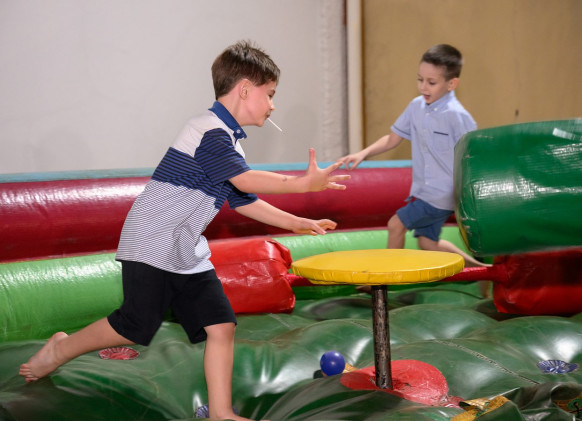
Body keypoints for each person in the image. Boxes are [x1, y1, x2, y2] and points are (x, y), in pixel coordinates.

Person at [19, 40, 350, 421]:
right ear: (245, 89)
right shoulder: (207, 130)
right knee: (133, 326)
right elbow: (244, 180)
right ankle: (60, 349)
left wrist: (298, 222)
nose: (273, 105)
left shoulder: (229, 144)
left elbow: (243, 199)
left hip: (184, 249)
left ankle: (221, 412)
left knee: (221, 326)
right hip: (152, 240)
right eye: (270, 94)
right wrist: (302, 184)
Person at [339, 43, 490, 297]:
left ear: (451, 84)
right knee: (427, 243)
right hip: (423, 190)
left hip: (442, 192)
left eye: (431, 82)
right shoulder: (416, 107)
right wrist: (363, 153)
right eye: (420, 80)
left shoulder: (457, 115)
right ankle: (483, 271)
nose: (423, 87)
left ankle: (383, 282)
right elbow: (393, 138)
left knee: (395, 224)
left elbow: (472, 154)